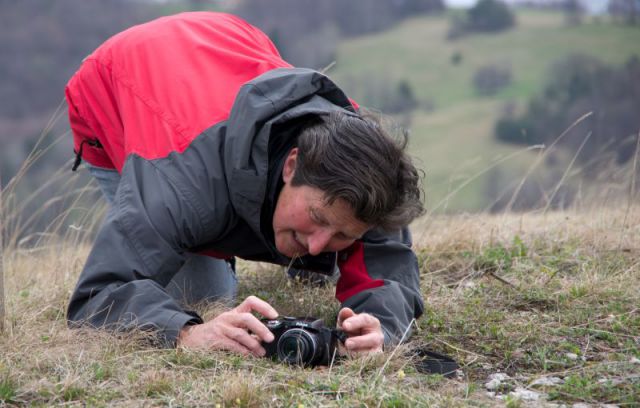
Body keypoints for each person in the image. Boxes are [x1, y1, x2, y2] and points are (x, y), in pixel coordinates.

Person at [65, 11, 425, 357]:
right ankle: (212, 239)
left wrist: (380, 329)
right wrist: (187, 332)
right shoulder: (178, 180)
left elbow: (388, 265)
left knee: (313, 238)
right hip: (115, 82)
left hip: (227, 41)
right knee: (201, 297)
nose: (318, 247)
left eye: (341, 234)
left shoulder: (365, 166)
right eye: (316, 216)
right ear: (291, 165)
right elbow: (99, 294)